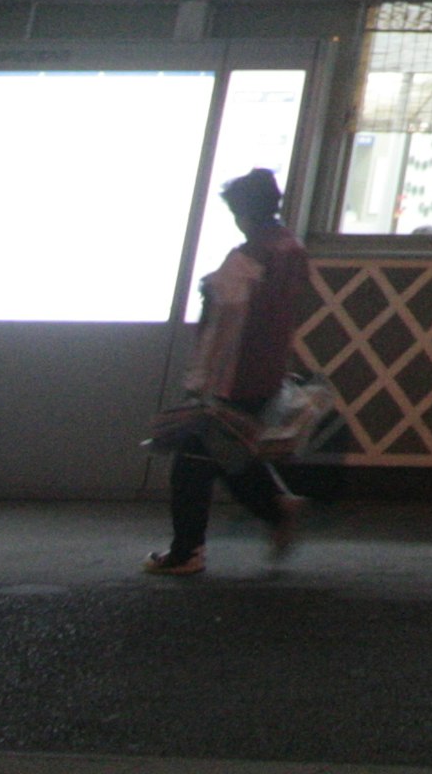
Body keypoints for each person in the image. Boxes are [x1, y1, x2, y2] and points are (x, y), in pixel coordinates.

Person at [145, 166, 314, 576]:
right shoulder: (291, 249)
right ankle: (275, 506)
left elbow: (224, 324)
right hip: (267, 372)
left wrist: (199, 382)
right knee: (224, 453)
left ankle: (189, 551)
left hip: (233, 377)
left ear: (242, 214)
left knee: (194, 457)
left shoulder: (247, 259)